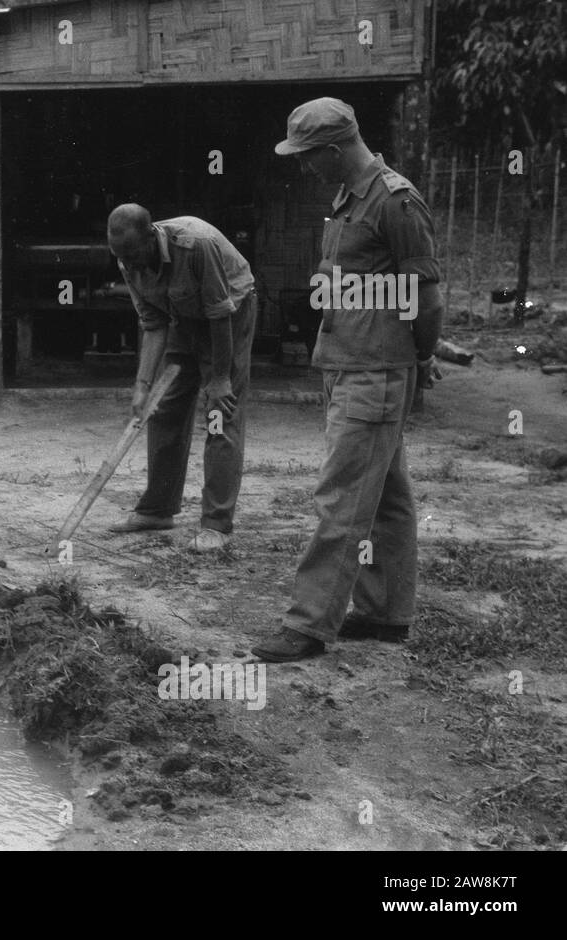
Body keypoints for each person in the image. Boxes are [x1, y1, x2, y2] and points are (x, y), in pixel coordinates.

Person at [253, 98, 443, 663]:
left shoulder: (396, 202)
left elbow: (426, 296)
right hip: (352, 365)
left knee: (341, 501)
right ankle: (386, 614)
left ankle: (309, 625)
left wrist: (421, 358)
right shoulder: (348, 198)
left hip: (375, 373)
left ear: (335, 150)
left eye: (310, 157)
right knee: (385, 496)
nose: (305, 167)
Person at [107, 205, 256, 552]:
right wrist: (143, 386)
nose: (127, 265)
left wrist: (219, 378)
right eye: (119, 256)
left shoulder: (195, 244)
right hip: (181, 320)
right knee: (163, 407)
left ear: (151, 236)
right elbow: (153, 323)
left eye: (131, 255)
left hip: (229, 318)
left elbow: (219, 313)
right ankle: (157, 510)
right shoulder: (128, 260)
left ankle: (217, 525)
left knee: (221, 412)